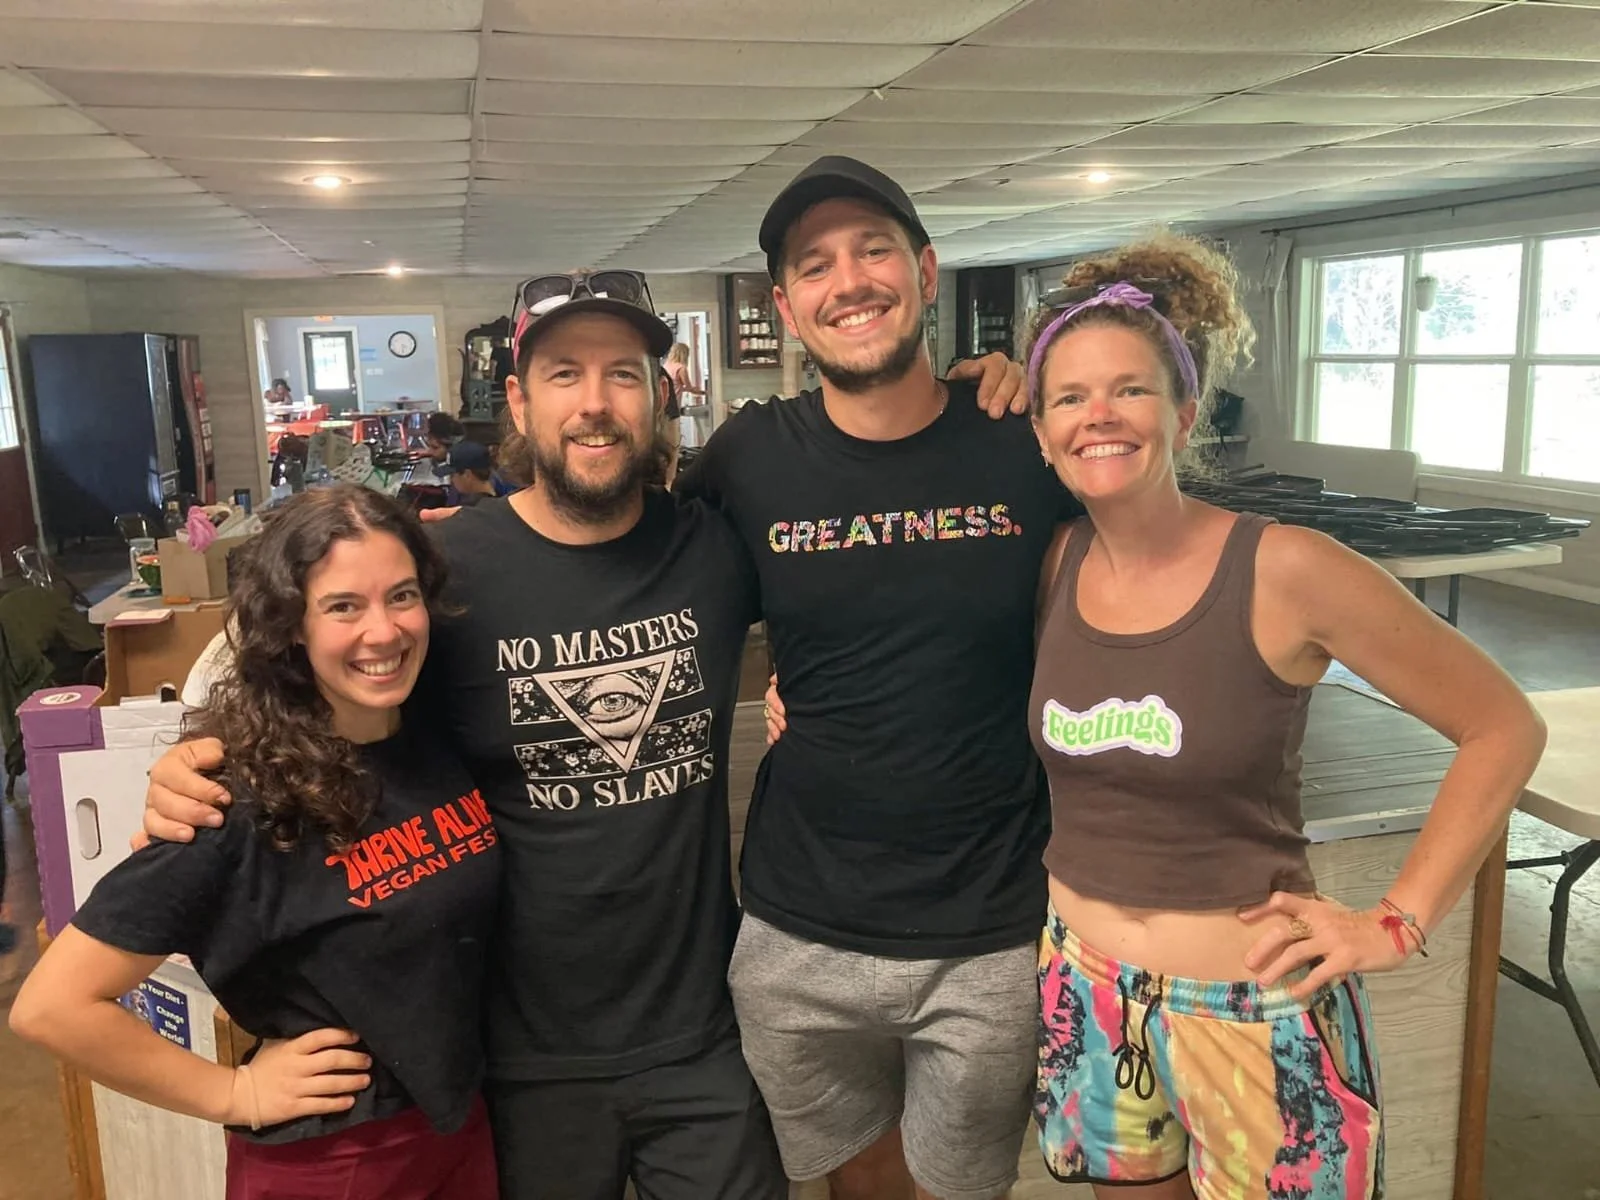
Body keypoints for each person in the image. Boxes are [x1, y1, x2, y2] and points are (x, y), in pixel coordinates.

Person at [140, 269, 1024, 1199]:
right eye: (564, 374)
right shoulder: (447, 565)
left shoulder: (715, 546)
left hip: (703, 1039)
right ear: (519, 399)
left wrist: (962, 403)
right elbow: (256, 659)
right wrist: (193, 754)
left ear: (661, 396)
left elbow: (879, 574)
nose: (595, 405)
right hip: (518, 1060)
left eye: (624, 375)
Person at [1020, 236, 1546, 1197]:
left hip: (1250, 1011)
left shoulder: (1284, 568)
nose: (1099, 414)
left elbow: (1504, 726)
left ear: (1185, 414)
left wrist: (1396, 922)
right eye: (1069, 397)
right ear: (1044, 434)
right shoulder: (1059, 564)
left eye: (1130, 389)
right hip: (1088, 986)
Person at [677, 155, 1080, 1200]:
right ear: (785, 306)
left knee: (959, 1190)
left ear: (928, 271)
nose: (848, 281)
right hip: (798, 920)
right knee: (855, 1183)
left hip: (991, 919)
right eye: (815, 265)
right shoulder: (746, 456)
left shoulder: (1025, 439)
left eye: (873, 251)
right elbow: (609, 572)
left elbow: (1152, 580)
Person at [10, 485, 502, 1200]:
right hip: (340, 1162)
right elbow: (53, 1005)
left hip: (457, 1130)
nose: (384, 631)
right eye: (343, 606)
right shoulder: (236, 802)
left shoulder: (427, 736)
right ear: (292, 626)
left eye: (401, 596)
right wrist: (235, 1094)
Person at [441, 440, 512, 506]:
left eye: (452, 475)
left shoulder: (470, 509)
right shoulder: (504, 498)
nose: (451, 480)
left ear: (467, 475)